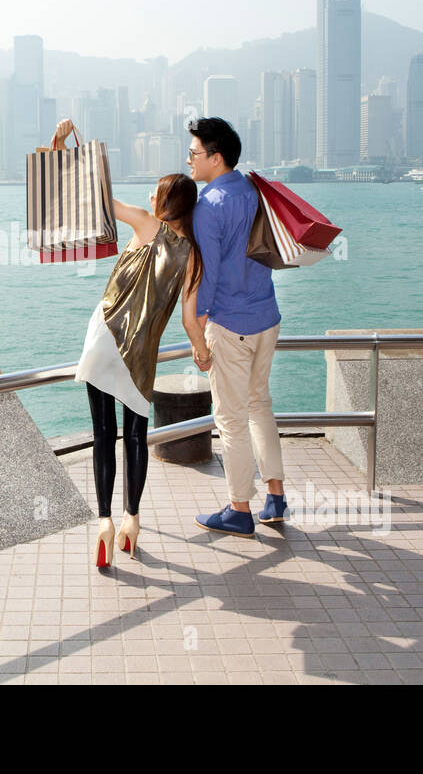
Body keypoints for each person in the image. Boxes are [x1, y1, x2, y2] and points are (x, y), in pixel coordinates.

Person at [74, 172, 208, 568]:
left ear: (166, 203)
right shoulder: (194, 255)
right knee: (135, 436)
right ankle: (132, 519)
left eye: (157, 190)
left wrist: (63, 149)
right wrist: (201, 352)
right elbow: (188, 318)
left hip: (103, 337)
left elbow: (99, 196)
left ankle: (104, 523)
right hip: (141, 353)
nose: (150, 194)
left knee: (103, 433)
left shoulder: (146, 224)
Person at [186, 117, 286, 539]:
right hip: (267, 318)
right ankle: (276, 497)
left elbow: (205, 276)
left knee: (230, 419)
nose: (189, 161)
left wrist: (198, 329)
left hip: (231, 323)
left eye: (194, 154)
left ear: (216, 157)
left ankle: (240, 509)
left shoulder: (208, 207)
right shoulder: (253, 190)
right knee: (259, 404)